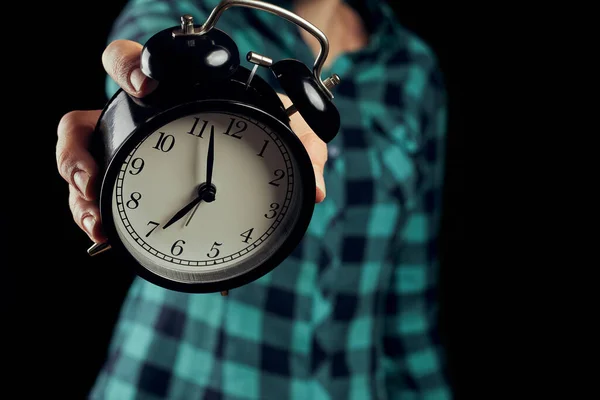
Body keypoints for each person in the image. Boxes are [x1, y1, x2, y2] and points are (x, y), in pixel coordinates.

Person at [55, 0, 450, 398]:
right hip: (178, 381)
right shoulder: (174, 13)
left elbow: (408, 314)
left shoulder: (412, 70)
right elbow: (139, 72)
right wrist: (126, 117)